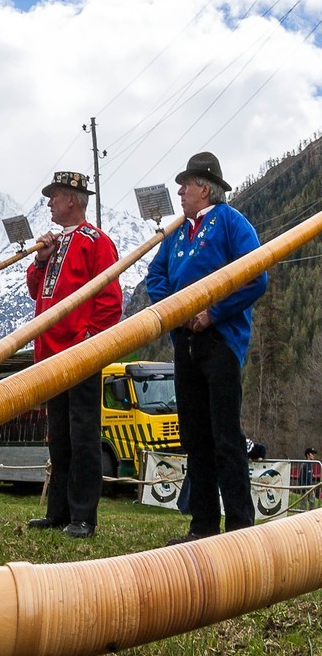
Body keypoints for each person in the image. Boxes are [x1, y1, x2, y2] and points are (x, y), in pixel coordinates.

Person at [145, 151, 265, 544]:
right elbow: (156, 274)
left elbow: (255, 276)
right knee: (194, 434)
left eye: (186, 184)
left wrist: (213, 313)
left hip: (220, 341)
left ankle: (241, 529)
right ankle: (203, 526)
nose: (179, 190)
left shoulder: (232, 222)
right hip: (186, 342)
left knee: (225, 434)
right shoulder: (179, 232)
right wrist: (175, 311)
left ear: (204, 188)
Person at [21, 172, 123, 539]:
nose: (49, 203)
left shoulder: (96, 242)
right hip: (50, 353)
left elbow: (111, 302)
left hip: (79, 352)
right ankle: (59, 512)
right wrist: (39, 260)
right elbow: (37, 291)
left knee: (83, 436)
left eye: (55, 196)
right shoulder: (52, 245)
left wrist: (89, 340)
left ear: (73, 201)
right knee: (58, 437)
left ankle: (84, 516)